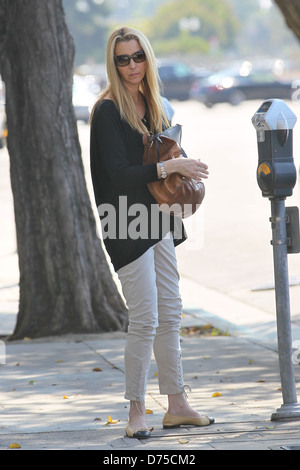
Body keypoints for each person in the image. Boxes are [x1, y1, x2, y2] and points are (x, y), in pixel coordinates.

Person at [90, 26, 213, 439]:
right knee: (144, 318)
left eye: (137, 56)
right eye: (122, 59)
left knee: (171, 312)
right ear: (113, 63)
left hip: (159, 219)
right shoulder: (107, 110)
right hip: (125, 221)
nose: (131, 66)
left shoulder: (155, 105)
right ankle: (136, 413)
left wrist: (182, 164)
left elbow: (163, 156)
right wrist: (169, 168)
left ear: (148, 58)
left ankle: (177, 404)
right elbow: (118, 174)